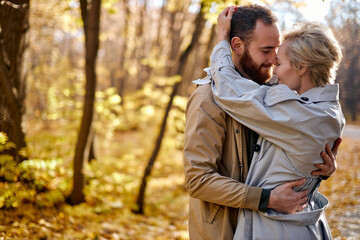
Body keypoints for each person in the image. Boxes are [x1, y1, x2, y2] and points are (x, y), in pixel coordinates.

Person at [183, 4, 341, 240]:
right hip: (228, 229)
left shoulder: (275, 94)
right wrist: (266, 199)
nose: (274, 59)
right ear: (236, 45)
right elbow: (197, 180)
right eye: (266, 50)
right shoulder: (208, 98)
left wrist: (317, 167)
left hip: (272, 226)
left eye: (277, 51)